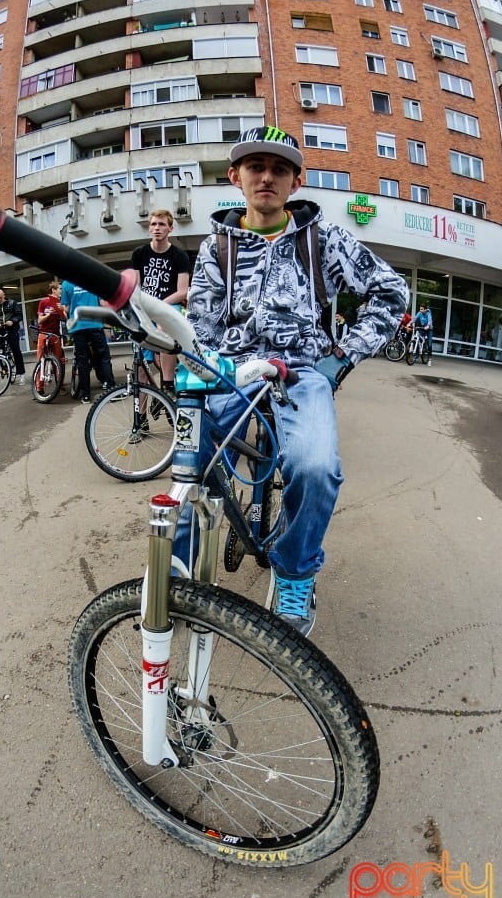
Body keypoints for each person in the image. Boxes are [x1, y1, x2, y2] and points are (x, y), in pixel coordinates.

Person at [178, 125, 408, 636]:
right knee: (191, 456)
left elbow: (392, 292)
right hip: (234, 374)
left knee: (315, 467)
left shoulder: (324, 240)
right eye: (256, 167)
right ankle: (183, 571)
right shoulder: (216, 248)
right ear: (235, 176)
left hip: (303, 374)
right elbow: (200, 328)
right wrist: (209, 369)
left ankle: (294, 571)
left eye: (279, 169)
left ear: (295, 181)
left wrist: (340, 360)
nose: (267, 177)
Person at [130, 209, 190, 394]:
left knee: (163, 329)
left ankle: (167, 383)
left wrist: (159, 305)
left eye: (162, 224)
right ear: (149, 229)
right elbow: (136, 286)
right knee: (141, 366)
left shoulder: (179, 256)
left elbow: (182, 292)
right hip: (145, 308)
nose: (157, 228)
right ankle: (143, 419)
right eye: (154, 224)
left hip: (168, 306)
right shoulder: (139, 254)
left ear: (170, 228)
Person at [61, 280, 115, 403]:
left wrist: (66, 310)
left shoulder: (66, 284)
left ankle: (85, 395)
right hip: (95, 323)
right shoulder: (90, 277)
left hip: (78, 326)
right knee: (104, 357)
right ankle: (112, 390)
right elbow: (102, 302)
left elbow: (67, 307)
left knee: (82, 361)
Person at [0, 288, 27, 384]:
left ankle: (21, 374)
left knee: (16, 350)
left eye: (0, 298)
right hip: (0, 330)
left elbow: (19, 315)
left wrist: (12, 321)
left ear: (4, 295)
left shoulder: (12, 303)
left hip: (11, 330)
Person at [35, 281, 67, 395]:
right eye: (60, 289)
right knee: (41, 360)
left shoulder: (61, 302)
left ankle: (60, 385)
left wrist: (62, 309)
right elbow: (39, 320)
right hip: (43, 333)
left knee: (57, 360)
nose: (61, 291)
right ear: (53, 290)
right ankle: (39, 387)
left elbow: (66, 318)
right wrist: (48, 315)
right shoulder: (44, 302)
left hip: (55, 335)